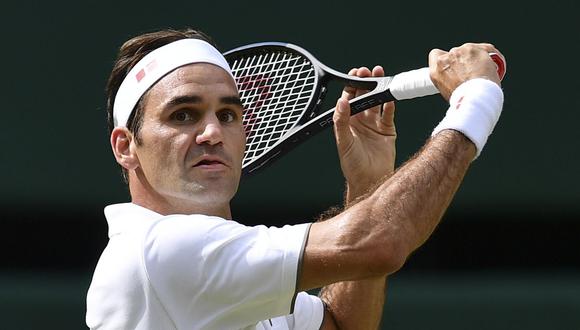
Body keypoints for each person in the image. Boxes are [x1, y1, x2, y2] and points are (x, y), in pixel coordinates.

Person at [86, 28, 504, 329]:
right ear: (125, 147)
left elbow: (342, 325)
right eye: (183, 115)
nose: (213, 132)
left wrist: (367, 186)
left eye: (228, 115)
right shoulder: (156, 251)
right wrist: (476, 100)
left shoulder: (225, 267)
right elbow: (377, 243)